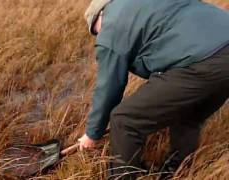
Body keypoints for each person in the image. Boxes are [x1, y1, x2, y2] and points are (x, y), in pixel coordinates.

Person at [78, 0, 229, 179]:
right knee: (189, 116)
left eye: (96, 31)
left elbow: (109, 87)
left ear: (101, 14)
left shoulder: (112, 24)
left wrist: (92, 133)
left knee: (124, 120)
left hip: (204, 61)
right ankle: (176, 172)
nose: (100, 36)